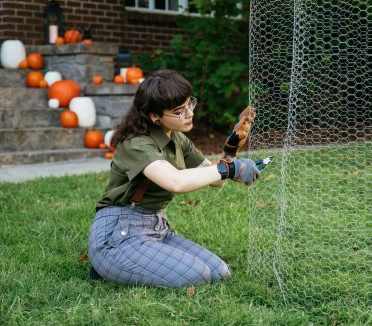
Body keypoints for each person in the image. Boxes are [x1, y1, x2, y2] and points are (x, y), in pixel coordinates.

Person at [88, 69, 260, 287]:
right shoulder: (136, 143)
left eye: (190, 104)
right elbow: (176, 181)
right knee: (198, 275)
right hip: (118, 234)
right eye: (179, 111)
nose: (189, 113)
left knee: (219, 272)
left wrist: (232, 146)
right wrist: (229, 169)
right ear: (155, 116)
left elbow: (217, 180)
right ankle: (108, 265)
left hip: (155, 227)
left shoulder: (177, 138)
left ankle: (127, 264)